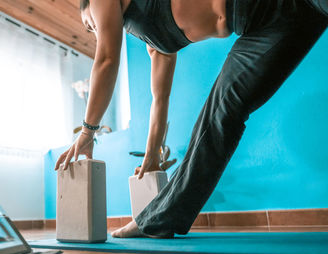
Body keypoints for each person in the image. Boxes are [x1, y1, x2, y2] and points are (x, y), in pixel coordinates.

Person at [54, 0, 328, 238]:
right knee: (220, 112)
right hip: (267, 26)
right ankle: (158, 220)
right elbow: (160, 101)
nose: (90, 29)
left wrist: (87, 132)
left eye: (87, 21)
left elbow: (106, 58)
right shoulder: (155, 43)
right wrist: (151, 155)